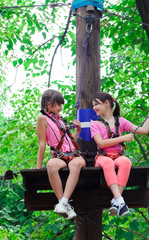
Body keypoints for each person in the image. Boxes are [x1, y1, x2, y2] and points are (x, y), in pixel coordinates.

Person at [90, 92, 149, 217]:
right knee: (108, 163)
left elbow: (143, 130)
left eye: (96, 104)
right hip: (103, 157)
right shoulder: (95, 124)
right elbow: (101, 143)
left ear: (106, 104)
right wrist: (122, 138)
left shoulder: (120, 121)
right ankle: (120, 200)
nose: (94, 107)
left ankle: (116, 201)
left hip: (118, 155)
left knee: (126, 162)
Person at [35, 89, 86, 220]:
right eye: (57, 104)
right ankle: (64, 204)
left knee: (77, 164)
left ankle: (63, 203)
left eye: (61, 104)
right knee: (51, 165)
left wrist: (77, 132)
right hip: (59, 156)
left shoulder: (61, 120)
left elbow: (70, 141)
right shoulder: (42, 118)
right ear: (47, 103)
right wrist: (38, 167)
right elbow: (42, 144)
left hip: (74, 155)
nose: (60, 107)